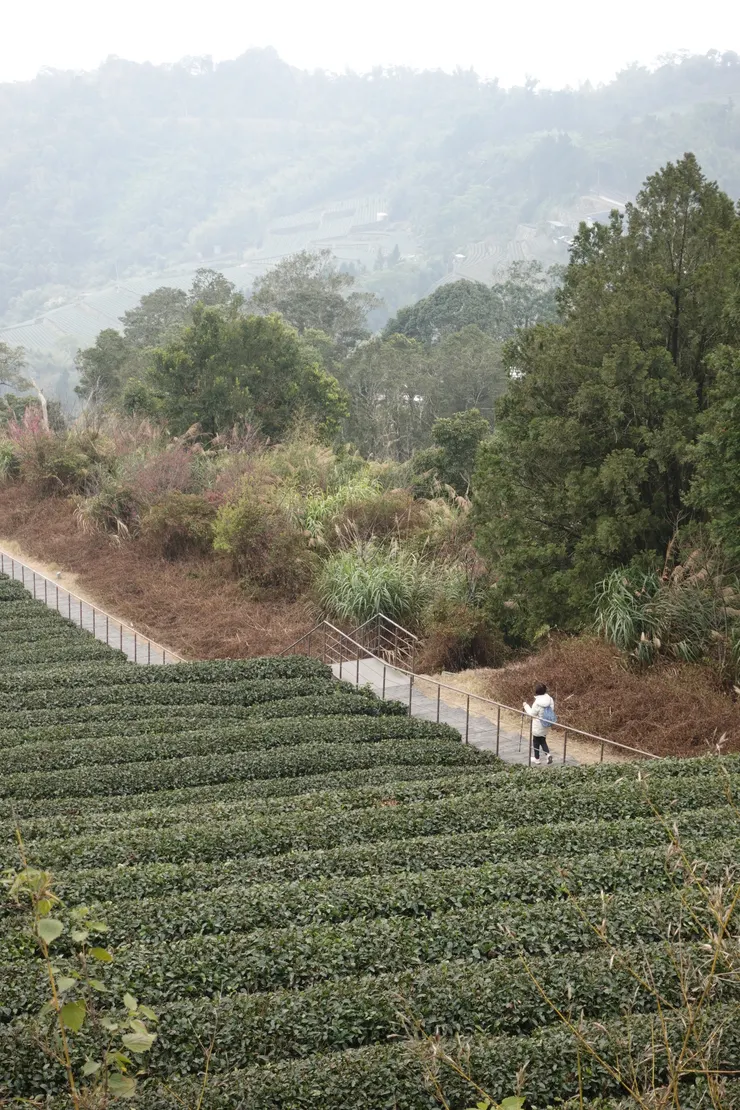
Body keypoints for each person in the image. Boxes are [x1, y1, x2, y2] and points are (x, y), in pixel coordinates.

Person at [523, 683, 555, 765]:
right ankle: (547, 755)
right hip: (547, 723)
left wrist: (526, 706)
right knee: (542, 740)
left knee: (536, 741)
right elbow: (552, 709)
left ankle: (537, 759)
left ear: (537, 692)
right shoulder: (550, 699)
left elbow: (532, 714)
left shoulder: (537, 702)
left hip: (538, 724)